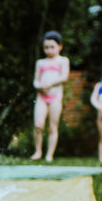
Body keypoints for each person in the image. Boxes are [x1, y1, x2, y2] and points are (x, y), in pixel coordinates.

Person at [30, 31, 70, 162]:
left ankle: (49, 155)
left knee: (53, 126)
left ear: (60, 46)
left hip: (55, 96)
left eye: (52, 47)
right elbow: (35, 81)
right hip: (42, 96)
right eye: (46, 47)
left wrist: (51, 84)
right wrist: (40, 86)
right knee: (38, 125)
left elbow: (64, 77)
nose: (49, 50)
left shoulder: (63, 61)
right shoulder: (40, 63)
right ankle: (38, 151)